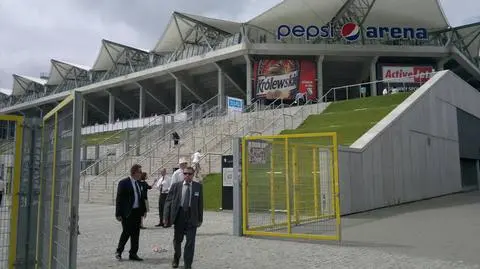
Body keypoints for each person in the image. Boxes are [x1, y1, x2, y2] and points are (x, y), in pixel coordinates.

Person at [163, 166, 203, 269]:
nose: (187, 176)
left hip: (191, 216)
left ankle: (187, 264)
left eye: (189, 174)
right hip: (179, 215)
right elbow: (168, 201)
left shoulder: (198, 187)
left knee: (190, 242)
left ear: (193, 175)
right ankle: (176, 258)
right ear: (183, 174)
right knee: (177, 240)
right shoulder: (176, 186)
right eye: (185, 173)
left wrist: (200, 219)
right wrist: (166, 216)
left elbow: (200, 204)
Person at [115, 164, 146, 261]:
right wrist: (118, 213)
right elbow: (119, 199)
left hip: (137, 212)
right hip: (128, 212)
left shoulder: (139, 183)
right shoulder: (124, 183)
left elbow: (142, 198)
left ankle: (133, 253)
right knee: (126, 232)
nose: (141, 174)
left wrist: (143, 211)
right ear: (134, 172)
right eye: (140, 172)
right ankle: (119, 251)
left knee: (136, 233)